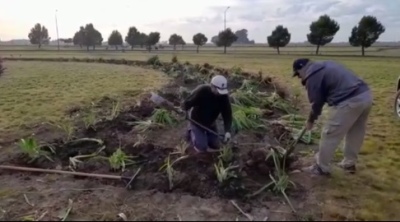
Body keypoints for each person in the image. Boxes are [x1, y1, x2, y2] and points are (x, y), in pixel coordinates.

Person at [292, 58, 373, 176]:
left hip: (349, 100)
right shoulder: (324, 65)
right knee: (355, 131)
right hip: (365, 96)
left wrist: (310, 121)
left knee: (329, 133)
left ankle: (321, 168)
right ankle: (349, 163)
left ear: (302, 69)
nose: (299, 78)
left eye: (298, 74)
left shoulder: (313, 75)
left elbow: (317, 102)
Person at [181, 75, 233, 153]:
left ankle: (205, 135)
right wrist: (184, 110)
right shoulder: (202, 91)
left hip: (210, 123)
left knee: (216, 144)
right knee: (202, 147)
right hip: (197, 122)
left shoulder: (224, 97)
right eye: (218, 90)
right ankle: (190, 131)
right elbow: (187, 103)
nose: (220, 94)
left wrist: (227, 131)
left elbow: (227, 114)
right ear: (212, 86)